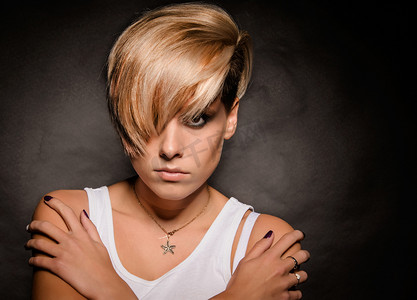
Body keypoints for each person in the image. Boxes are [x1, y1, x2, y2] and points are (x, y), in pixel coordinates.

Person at [25, 2, 310, 299]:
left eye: (197, 118)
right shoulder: (68, 218)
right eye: (151, 118)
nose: (170, 149)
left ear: (231, 118)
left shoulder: (264, 243)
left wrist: (109, 289)